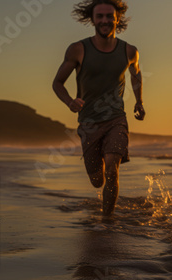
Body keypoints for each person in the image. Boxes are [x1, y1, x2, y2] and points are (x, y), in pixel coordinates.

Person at [52, 0, 145, 217]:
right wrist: (70, 102)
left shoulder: (129, 51)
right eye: (100, 16)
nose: (104, 20)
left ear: (117, 19)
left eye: (108, 16)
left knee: (112, 167)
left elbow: (136, 74)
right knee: (97, 180)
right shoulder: (78, 49)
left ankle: (106, 222)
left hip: (116, 119)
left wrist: (139, 102)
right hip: (89, 123)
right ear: (92, 19)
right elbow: (57, 83)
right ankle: (101, 192)